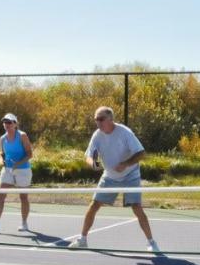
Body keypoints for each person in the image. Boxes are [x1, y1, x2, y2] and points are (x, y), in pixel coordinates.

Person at [68, 106, 161, 253]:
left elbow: (141, 153)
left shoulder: (125, 133)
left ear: (110, 119)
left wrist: (126, 164)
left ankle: (152, 243)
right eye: (95, 119)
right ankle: (82, 239)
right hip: (109, 176)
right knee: (94, 205)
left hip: (131, 175)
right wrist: (93, 163)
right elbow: (89, 156)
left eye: (101, 119)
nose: (98, 122)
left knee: (136, 207)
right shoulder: (97, 135)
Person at [0, 113, 34, 233]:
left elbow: (30, 154)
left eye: (10, 122)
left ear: (15, 124)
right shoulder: (2, 138)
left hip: (23, 170)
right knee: (0, 195)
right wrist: (1, 161)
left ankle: (24, 223)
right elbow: (2, 154)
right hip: (7, 170)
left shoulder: (22, 136)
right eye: (5, 122)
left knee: (23, 197)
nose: (7, 124)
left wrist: (18, 164)